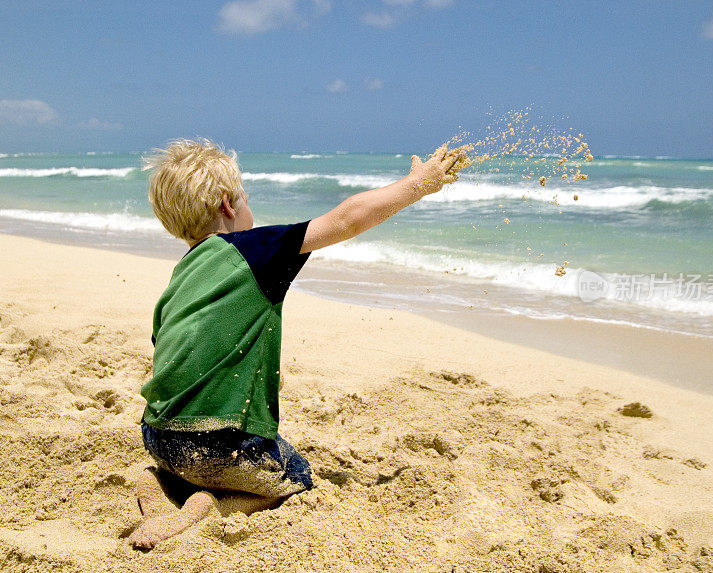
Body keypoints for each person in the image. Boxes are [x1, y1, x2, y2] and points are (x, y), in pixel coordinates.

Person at [128, 139, 463, 548]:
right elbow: (346, 219)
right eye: (246, 199)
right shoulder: (251, 252)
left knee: (182, 465)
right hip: (219, 444)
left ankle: (157, 484)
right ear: (227, 205)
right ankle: (210, 509)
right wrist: (418, 185)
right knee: (297, 476)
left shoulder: (179, 279)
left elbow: (180, 353)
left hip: (160, 438)